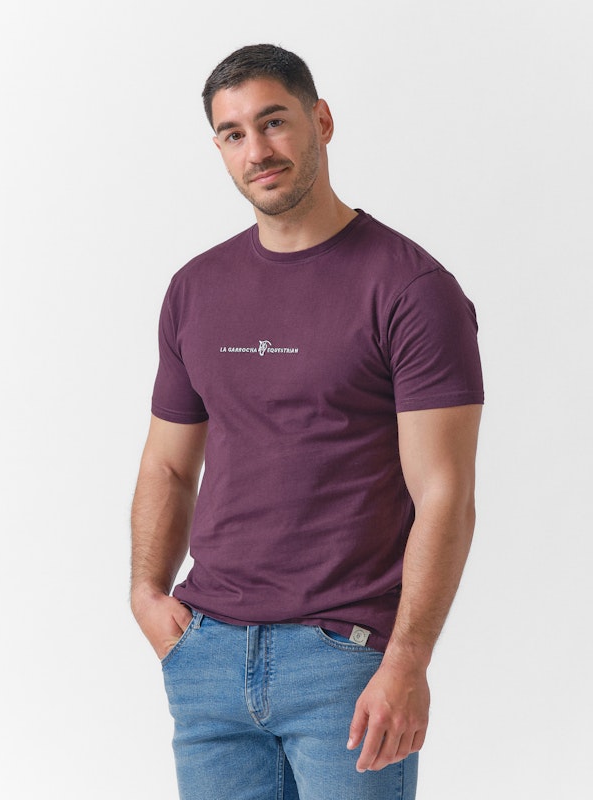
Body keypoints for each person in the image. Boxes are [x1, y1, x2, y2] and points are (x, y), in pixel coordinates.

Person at [130, 43, 484, 800]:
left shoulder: (412, 289)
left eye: (274, 122)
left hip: (344, 662)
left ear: (320, 120)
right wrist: (147, 596)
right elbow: (167, 463)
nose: (257, 151)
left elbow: (445, 493)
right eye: (233, 134)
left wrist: (408, 660)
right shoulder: (195, 288)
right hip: (207, 658)